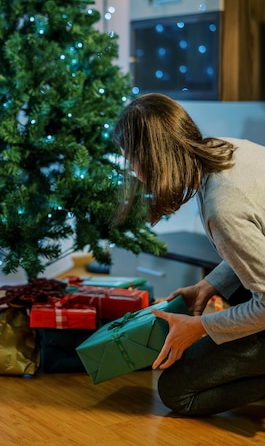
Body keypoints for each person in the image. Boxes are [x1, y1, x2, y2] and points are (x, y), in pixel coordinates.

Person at [112, 92, 265, 416]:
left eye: (131, 160)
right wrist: (208, 286)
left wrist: (202, 326)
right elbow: (255, 246)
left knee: (176, 392)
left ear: (150, 157)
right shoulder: (224, 148)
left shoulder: (222, 207)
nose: (133, 172)